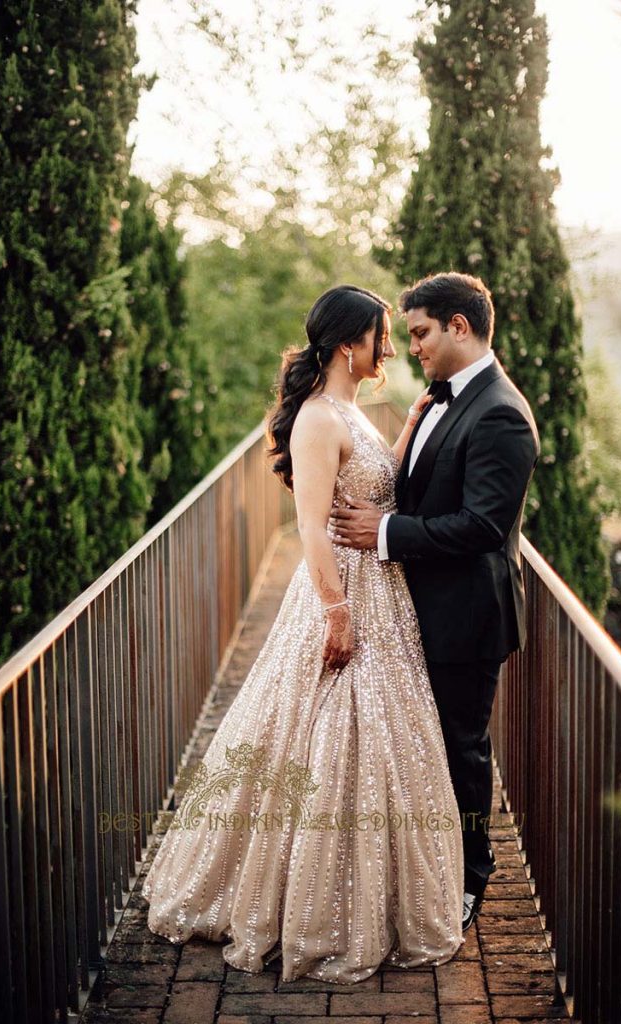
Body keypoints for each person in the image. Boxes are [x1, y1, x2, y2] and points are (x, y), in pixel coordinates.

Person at [142, 284, 466, 984]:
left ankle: (369, 898)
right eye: (381, 335)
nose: (390, 348)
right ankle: (305, 906)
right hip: (343, 591)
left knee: (381, 740)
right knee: (325, 734)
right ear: (349, 343)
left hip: (383, 590)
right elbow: (311, 527)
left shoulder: (350, 411)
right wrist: (336, 612)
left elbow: (372, 486)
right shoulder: (317, 419)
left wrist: (409, 426)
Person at [330, 272, 540, 932]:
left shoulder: (500, 412)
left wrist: (386, 532)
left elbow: (483, 526)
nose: (411, 347)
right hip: (418, 606)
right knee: (423, 746)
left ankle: (471, 876)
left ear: (459, 326)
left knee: (459, 747)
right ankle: (424, 870)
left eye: (420, 332)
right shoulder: (439, 400)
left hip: (466, 615)